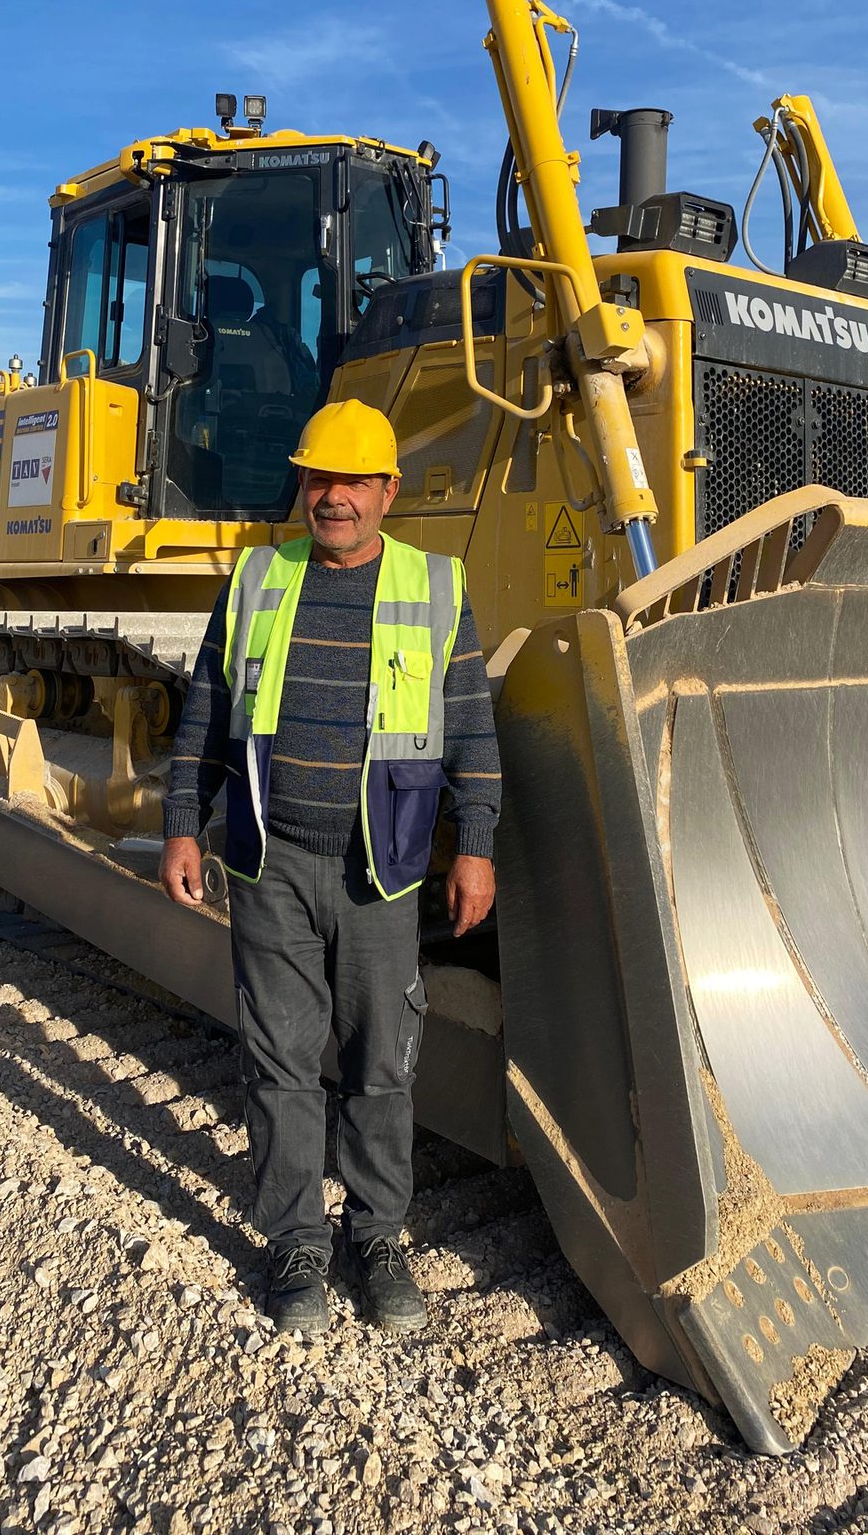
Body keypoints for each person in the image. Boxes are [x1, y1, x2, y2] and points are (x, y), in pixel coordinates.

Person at [159, 399, 501, 1336]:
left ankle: (378, 1234)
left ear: (390, 491)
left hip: (379, 875)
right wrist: (183, 823)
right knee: (278, 1064)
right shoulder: (259, 578)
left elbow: (471, 725)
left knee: (381, 1065)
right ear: (302, 486)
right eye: (319, 478)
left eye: (353, 480)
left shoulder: (436, 586)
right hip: (270, 864)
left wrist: (477, 844)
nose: (334, 497)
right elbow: (206, 711)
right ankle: (296, 1241)